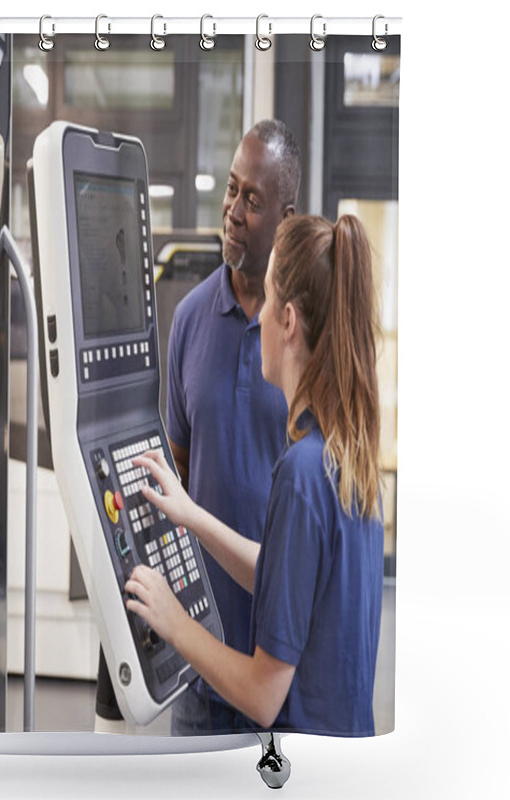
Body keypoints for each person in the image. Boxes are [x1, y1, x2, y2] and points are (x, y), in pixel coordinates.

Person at [127, 214, 384, 735]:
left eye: (267, 301)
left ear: (288, 321)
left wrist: (175, 623)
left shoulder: (301, 473)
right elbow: (284, 574)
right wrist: (192, 515)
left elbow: (264, 695)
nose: (258, 315)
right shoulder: (342, 455)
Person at [165, 120, 301, 733]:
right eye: (230, 190)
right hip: (198, 659)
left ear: (285, 215)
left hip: (279, 663)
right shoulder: (190, 321)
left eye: (253, 199)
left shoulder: (299, 338)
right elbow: (179, 473)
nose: (233, 211)